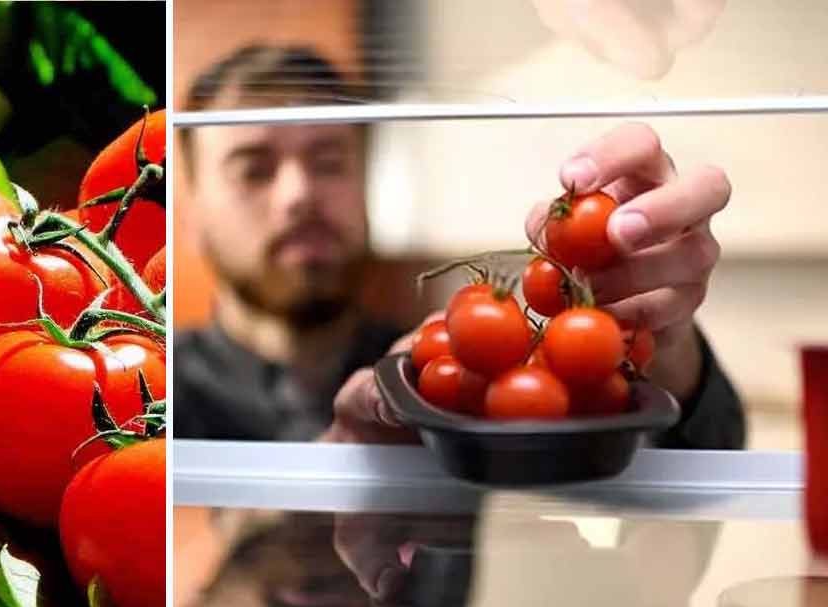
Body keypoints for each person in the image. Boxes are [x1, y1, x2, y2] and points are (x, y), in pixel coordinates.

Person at [175, 44, 745, 449]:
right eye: (254, 170)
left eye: (329, 163)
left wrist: (662, 343)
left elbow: (704, 464)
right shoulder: (159, 390)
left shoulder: (448, 367)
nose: (299, 195)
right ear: (194, 204)